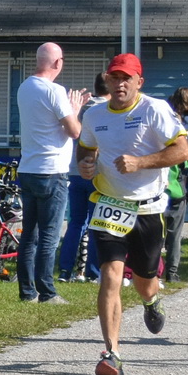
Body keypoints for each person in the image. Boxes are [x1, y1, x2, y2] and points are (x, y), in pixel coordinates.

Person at [76, 53, 188, 375]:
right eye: (115, 77)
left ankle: (151, 301)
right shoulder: (94, 114)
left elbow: (182, 150)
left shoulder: (155, 109)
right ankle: (112, 353)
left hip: (148, 208)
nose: (120, 84)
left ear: (139, 81)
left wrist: (141, 162)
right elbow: (86, 148)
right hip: (109, 204)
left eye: (127, 78)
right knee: (111, 275)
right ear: (107, 80)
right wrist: (85, 164)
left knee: (145, 282)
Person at [16, 43, 89, 304]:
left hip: (28, 168)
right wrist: (76, 110)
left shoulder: (25, 87)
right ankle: (47, 291)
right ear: (57, 63)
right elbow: (74, 131)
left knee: (29, 234)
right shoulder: (54, 90)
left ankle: (27, 291)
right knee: (49, 235)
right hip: (52, 171)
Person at [57, 73, 107, 283]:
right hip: (97, 173)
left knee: (76, 223)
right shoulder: (107, 111)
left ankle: (65, 270)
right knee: (97, 223)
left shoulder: (81, 108)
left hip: (75, 171)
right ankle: (93, 272)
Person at [162, 87, 188, 280]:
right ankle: (172, 269)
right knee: (176, 222)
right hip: (184, 167)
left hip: (165, 169)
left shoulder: (167, 118)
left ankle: (156, 264)